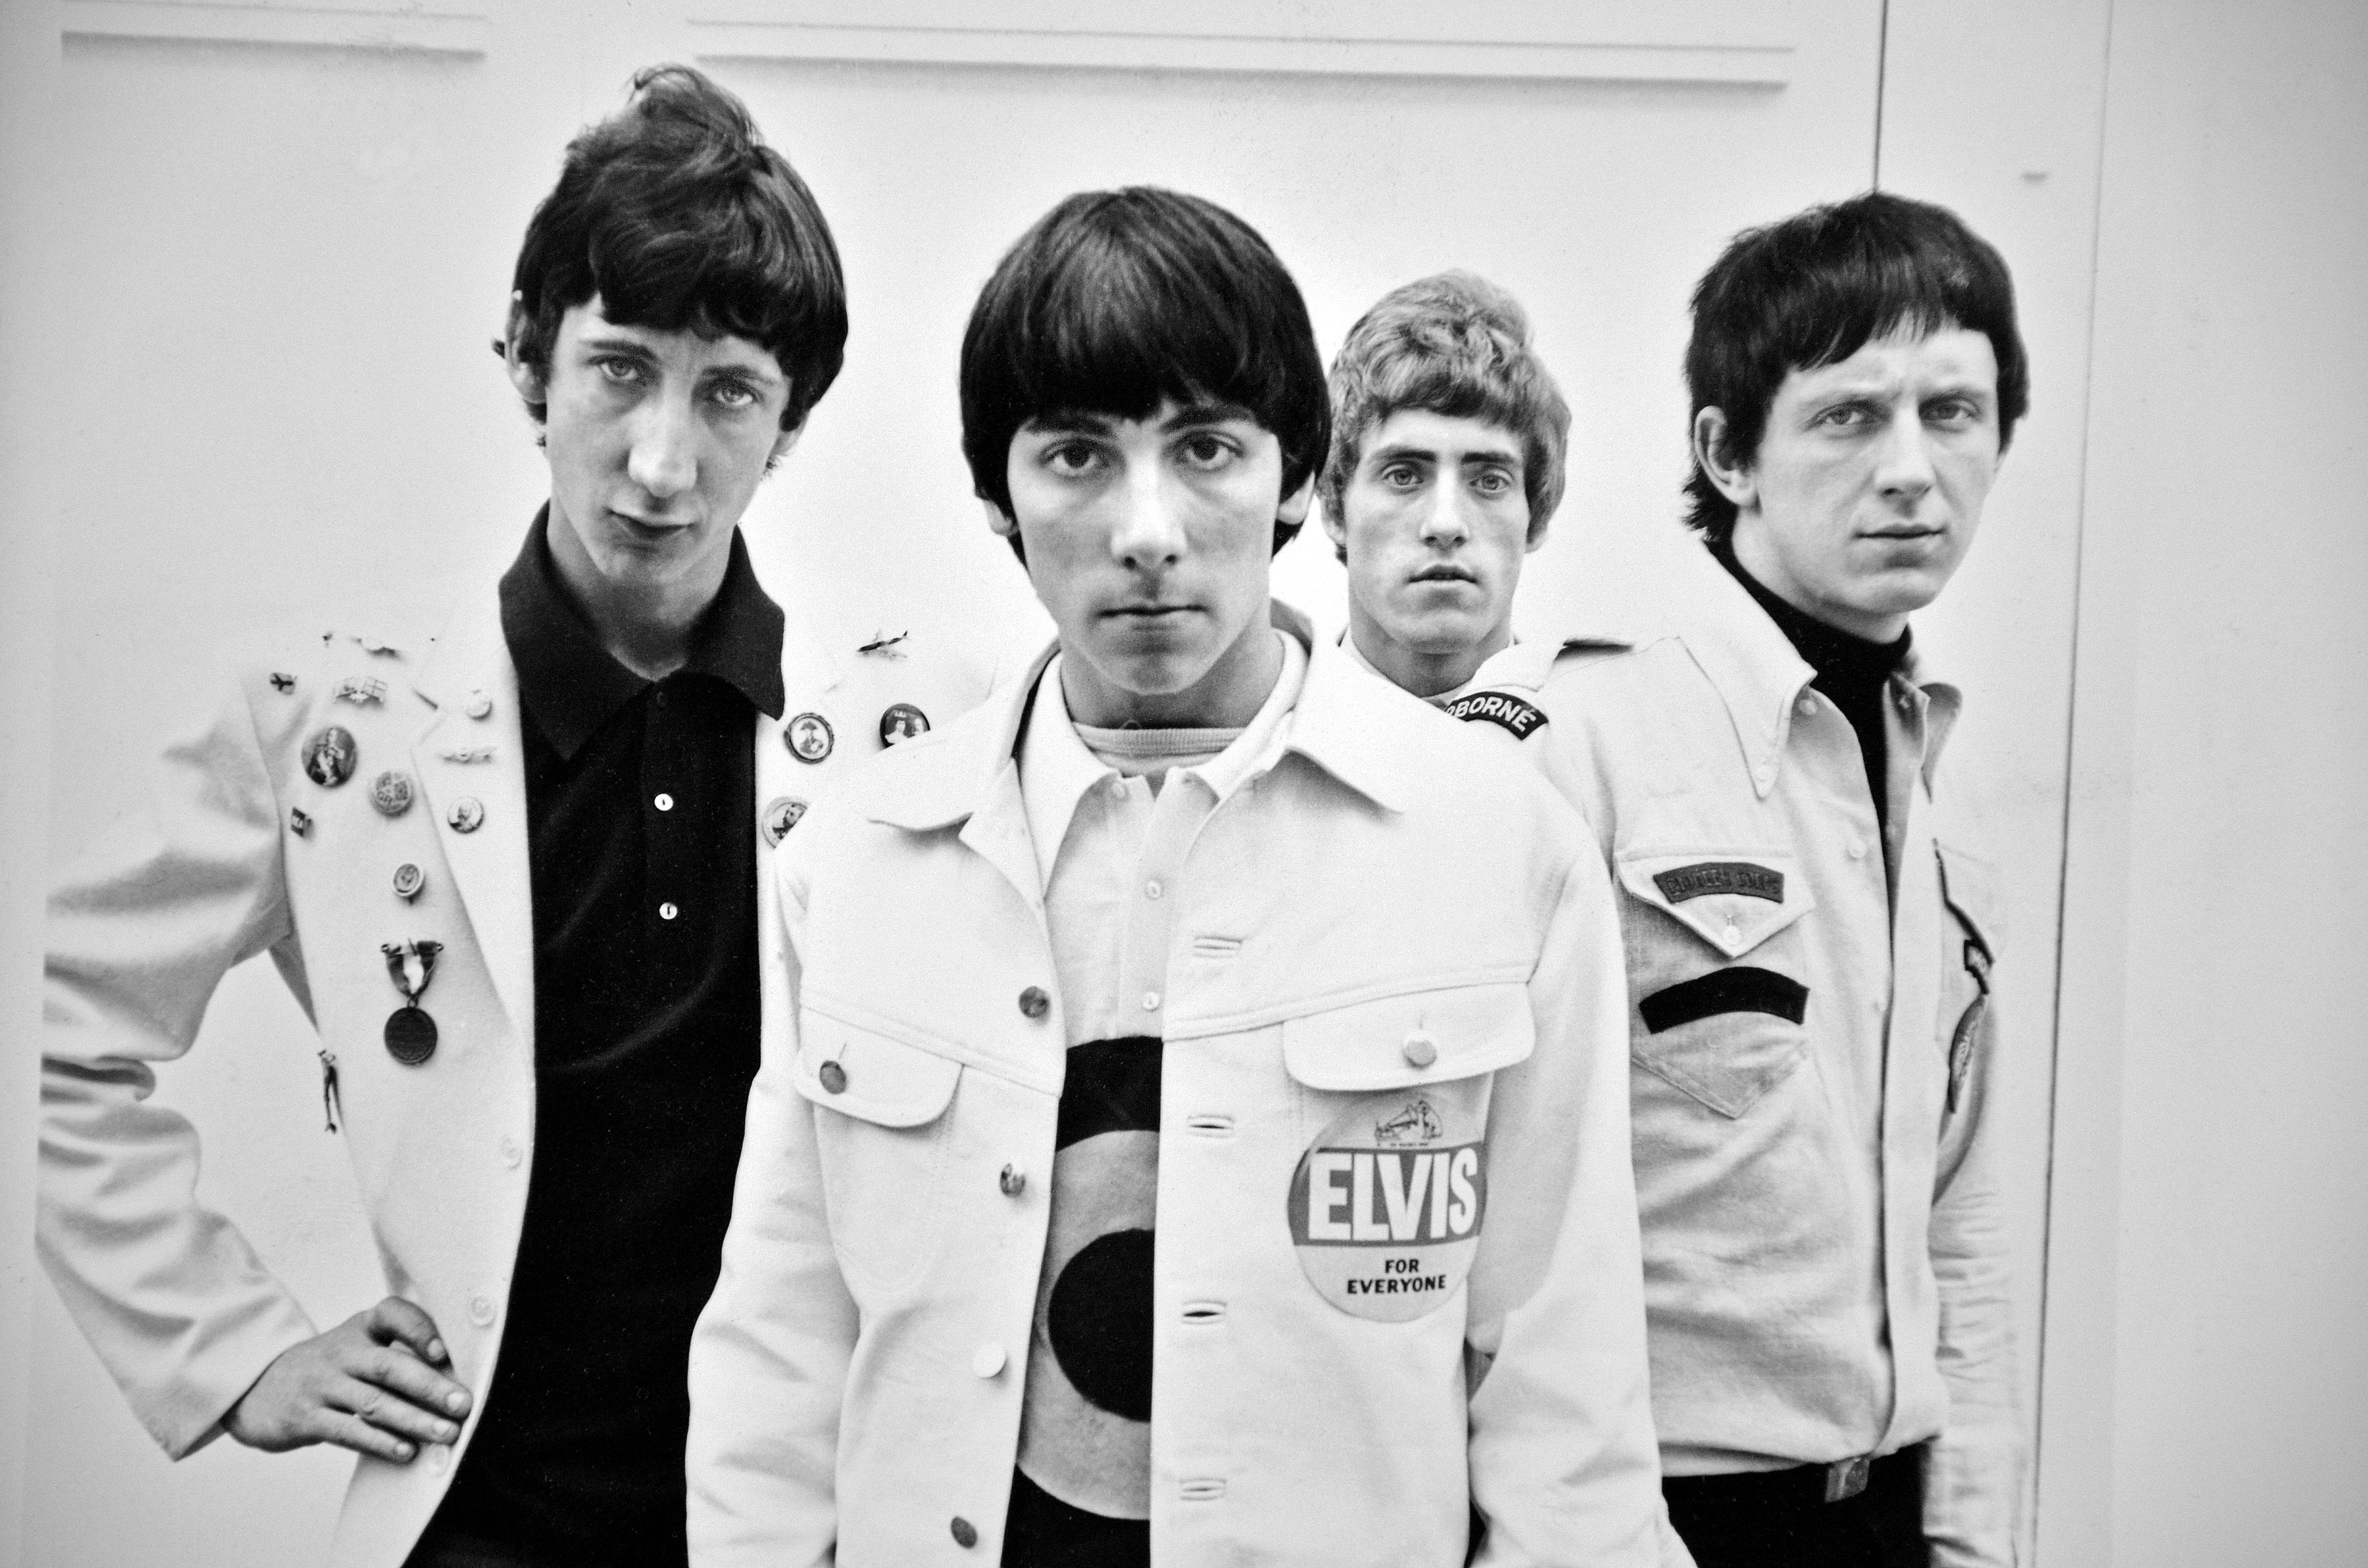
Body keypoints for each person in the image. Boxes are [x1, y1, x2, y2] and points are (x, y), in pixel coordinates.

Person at [37, 65, 988, 1568]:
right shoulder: (330, 717)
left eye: (729, 391)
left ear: (791, 425)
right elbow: (53, 1029)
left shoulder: (911, 729)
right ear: (526, 361)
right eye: (619, 367)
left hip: (810, 1516)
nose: (665, 462)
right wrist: (225, 1351)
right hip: (480, 1522)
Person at [686, 187, 1670, 1567]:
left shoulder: (1497, 847)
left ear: (1295, 478)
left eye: (1206, 447)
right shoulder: (859, 862)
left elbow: (1568, 1421)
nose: (1148, 528)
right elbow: (780, 1368)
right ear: (997, 498)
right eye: (1078, 456)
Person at [1339, 196, 2026, 1568]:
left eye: (1955, 413)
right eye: (1848, 416)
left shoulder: (1933, 799)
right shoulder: (1563, 738)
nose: (1910, 472)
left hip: (1887, 1507)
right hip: (1655, 1519)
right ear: (1728, 452)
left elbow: (1959, 1225)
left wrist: (1975, 1535)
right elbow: (1433, 1219)